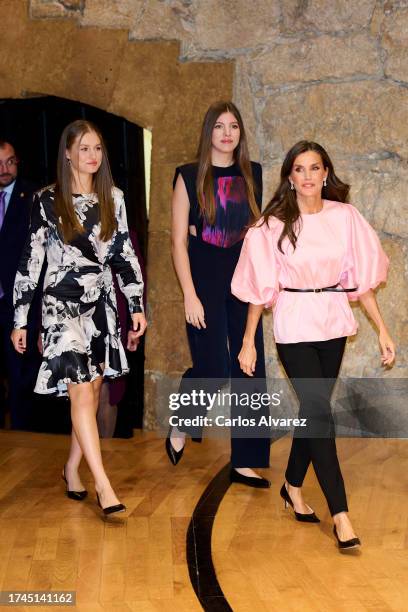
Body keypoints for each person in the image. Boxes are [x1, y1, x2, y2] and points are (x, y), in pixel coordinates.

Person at [231, 140, 395, 548]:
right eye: (299, 169)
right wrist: (249, 340)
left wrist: (382, 329)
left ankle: (292, 485)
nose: (307, 176)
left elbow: (359, 280)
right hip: (294, 323)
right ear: (290, 176)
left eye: (314, 168)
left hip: (334, 323)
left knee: (312, 410)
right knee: (321, 413)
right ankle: (341, 514)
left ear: (326, 173)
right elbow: (259, 288)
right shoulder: (272, 224)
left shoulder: (346, 217)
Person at [11, 120, 147, 515]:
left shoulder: (114, 199)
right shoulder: (47, 201)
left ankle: (72, 467)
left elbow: (125, 255)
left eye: (98, 148)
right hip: (61, 305)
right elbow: (30, 261)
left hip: (101, 307)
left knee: (90, 391)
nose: (92, 156)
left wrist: (135, 305)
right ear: (67, 152)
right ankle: (104, 486)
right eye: (84, 148)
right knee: (80, 389)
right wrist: (21, 319)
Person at [167, 101, 270, 487]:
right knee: (211, 367)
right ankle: (183, 421)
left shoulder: (253, 174)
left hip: (242, 274)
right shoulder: (189, 175)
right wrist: (189, 295)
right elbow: (178, 242)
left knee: (247, 365)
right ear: (208, 132)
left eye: (234, 127)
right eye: (220, 126)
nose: (227, 133)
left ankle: (246, 460)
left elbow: (258, 231)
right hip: (204, 275)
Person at [0, 139, 39, 429]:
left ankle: (23, 436)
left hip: (17, 305)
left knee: (20, 376)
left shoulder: (33, 197)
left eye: (10, 161)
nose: (4, 169)